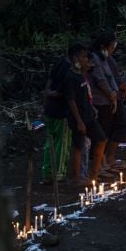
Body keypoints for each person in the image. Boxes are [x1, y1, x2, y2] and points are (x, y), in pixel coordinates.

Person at [60, 42, 107, 185]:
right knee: (78, 146)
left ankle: (94, 173)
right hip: (78, 117)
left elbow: (85, 94)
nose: (86, 59)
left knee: (101, 139)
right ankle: (76, 177)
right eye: (84, 57)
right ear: (75, 59)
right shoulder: (69, 77)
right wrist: (79, 121)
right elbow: (71, 100)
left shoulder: (81, 75)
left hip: (89, 115)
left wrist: (91, 108)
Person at [89, 29, 126, 177]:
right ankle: (98, 165)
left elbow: (110, 77)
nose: (114, 48)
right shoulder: (94, 58)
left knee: (108, 131)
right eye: (112, 45)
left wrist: (115, 93)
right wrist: (111, 94)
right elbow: (100, 79)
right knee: (101, 133)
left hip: (110, 98)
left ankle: (104, 162)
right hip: (101, 100)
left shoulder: (105, 58)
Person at [41, 56, 72, 184]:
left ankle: (47, 172)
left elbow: (49, 82)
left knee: (50, 142)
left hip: (50, 109)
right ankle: (58, 173)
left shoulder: (59, 62)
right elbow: (63, 91)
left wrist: (45, 100)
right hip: (61, 112)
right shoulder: (69, 70)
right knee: (62, 143)